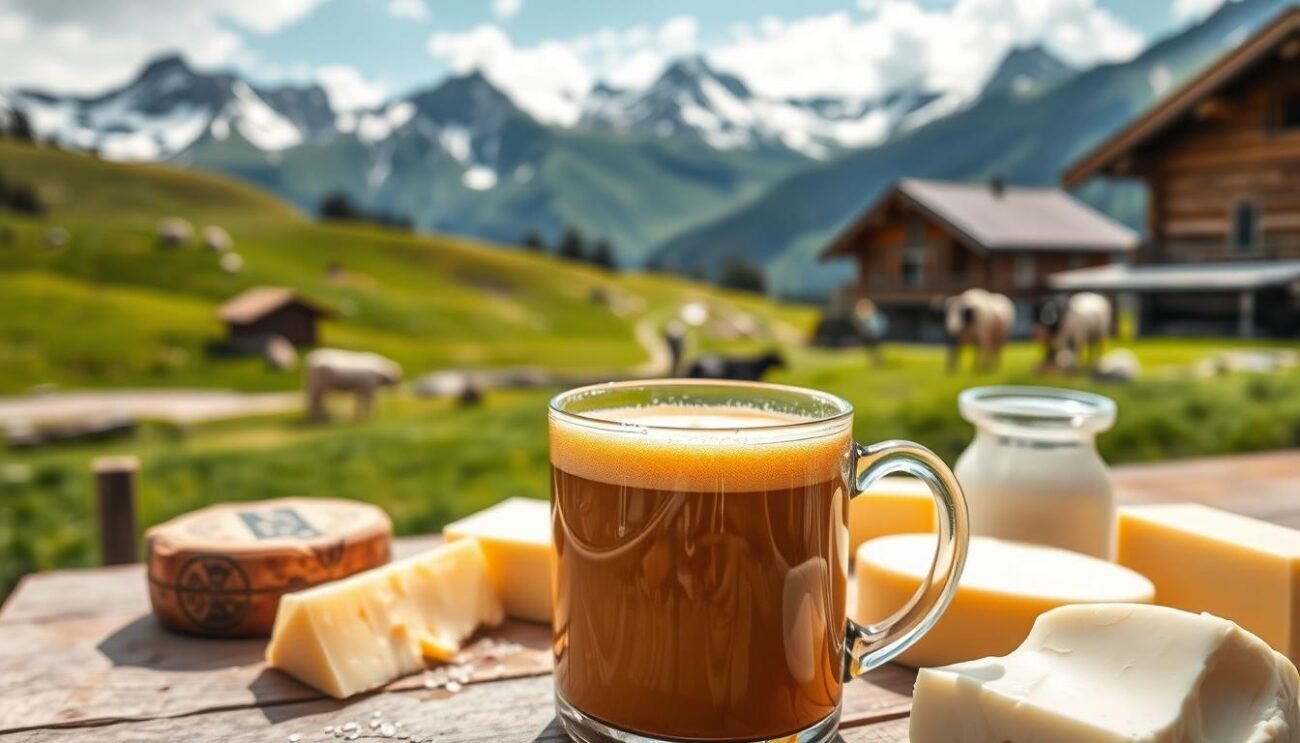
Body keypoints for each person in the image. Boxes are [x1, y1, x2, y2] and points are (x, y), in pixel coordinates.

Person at [852, 298, 888, 367]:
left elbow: (877, 325)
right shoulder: (866, 315)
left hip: (874, 334)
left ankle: (878, 362)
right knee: (871, 349)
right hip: (869, 334)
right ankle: (875, 362)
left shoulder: (873, 316)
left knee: (876, 349)